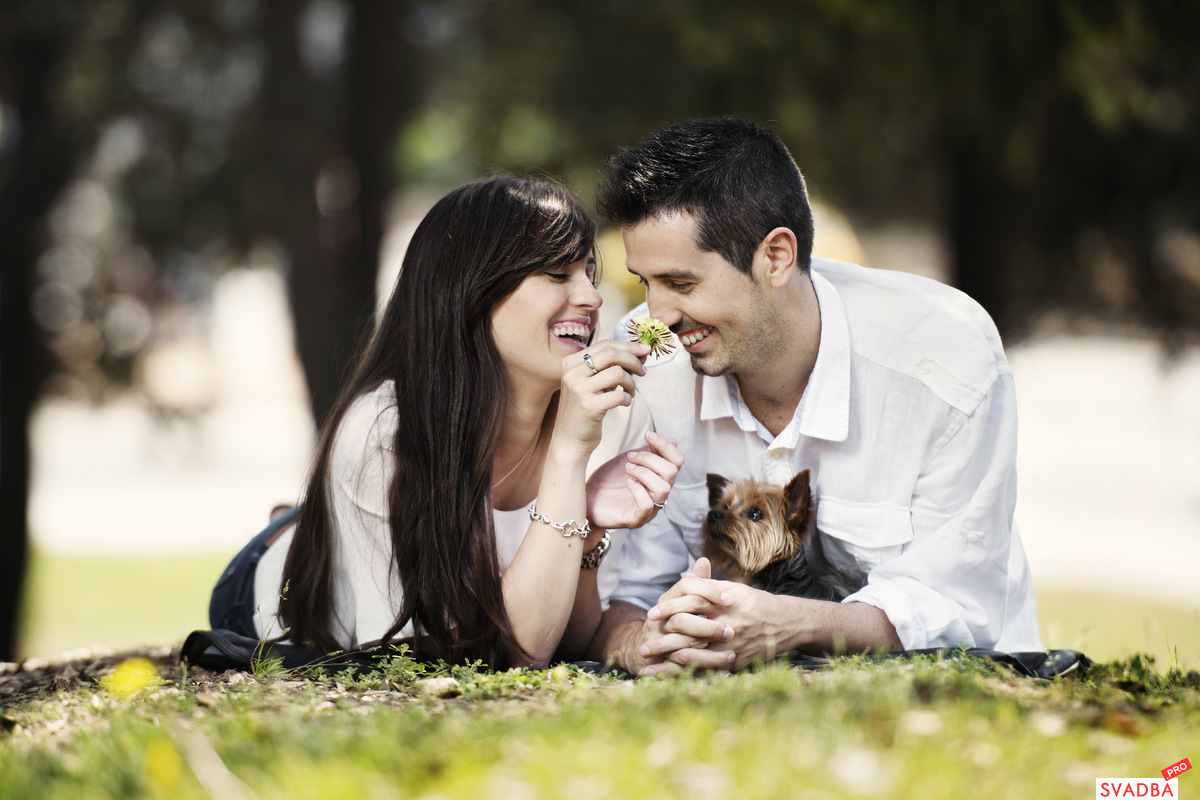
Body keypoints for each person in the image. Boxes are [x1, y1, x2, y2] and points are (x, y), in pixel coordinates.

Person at [588, 117, 1043, 676]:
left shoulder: (943, 363)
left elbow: (956, 604)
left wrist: (786, 626)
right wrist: (641, 644)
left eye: (681, 284)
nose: (657, 317)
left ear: (776, 256)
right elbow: (622, 593)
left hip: (947, 694)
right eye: (645, 283)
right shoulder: (648, 364)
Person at [208, 176, 683, 669]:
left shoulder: (612, 416)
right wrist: (566, 454)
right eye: (558, 274)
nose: (592, 297)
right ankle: (299, 521)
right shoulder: (384, 433)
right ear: (473, 289)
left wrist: (585, 530)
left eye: (588, 272)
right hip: (273, 588)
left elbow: (564, 635)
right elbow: (489, 658)